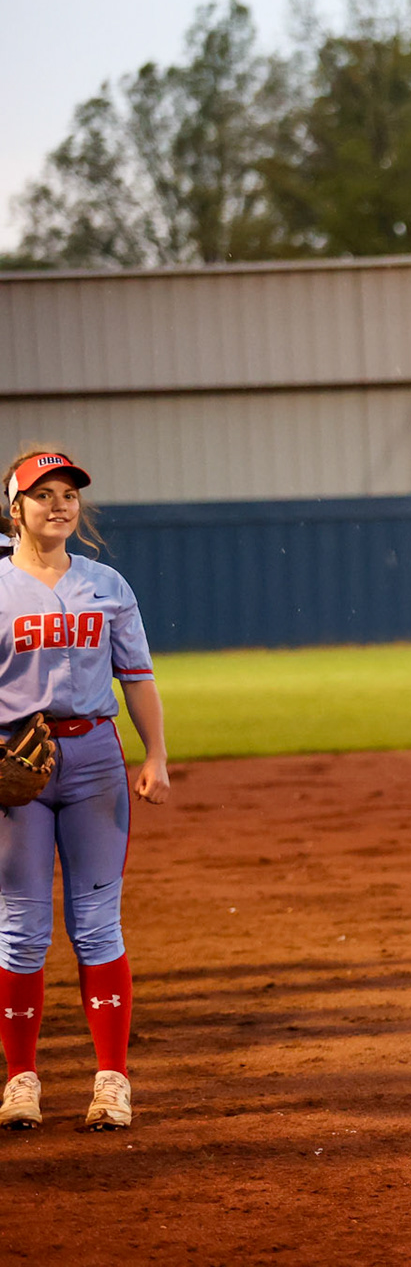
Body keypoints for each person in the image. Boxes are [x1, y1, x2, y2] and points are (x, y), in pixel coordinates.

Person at [0, 450, 169, 1131]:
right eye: (43, 495)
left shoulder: (107, 585)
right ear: (16, 509)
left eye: (68, 495)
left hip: (95, 757)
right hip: (15, 762)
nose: (59, 505)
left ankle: (112, 1083)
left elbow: (138, 676)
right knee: (21, 931)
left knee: (98, 925)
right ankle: (20, 1081)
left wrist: (156, 753)